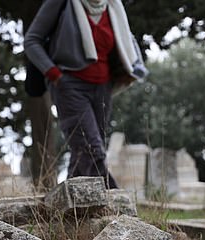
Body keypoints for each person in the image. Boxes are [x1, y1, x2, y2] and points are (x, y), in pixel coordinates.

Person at [24, 0, 148, 188]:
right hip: (69, 85)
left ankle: (67, 210)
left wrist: (129, 71)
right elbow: (32, 41)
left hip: (103, 88)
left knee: (82, 153)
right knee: (92, 149)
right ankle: (114, 203)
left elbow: (125, 45)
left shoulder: (113, 6)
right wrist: (55, 75)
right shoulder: (63, 4)